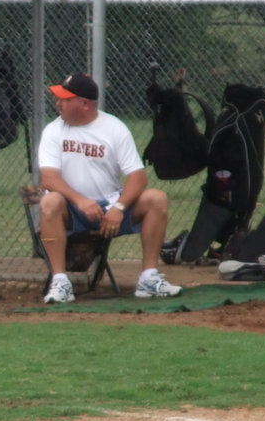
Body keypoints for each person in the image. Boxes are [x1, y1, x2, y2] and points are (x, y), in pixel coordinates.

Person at [37, 72, 183, 303]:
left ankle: (148, 278)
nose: (58, 103)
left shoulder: (114, 128)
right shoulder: (54, 130)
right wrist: (80, 200)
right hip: (72, 210)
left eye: (64, 99)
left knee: (157, 198)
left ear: (84, 104)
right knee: (49, 201)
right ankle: (60, 282)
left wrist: (119, 207)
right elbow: (49, 178)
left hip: (110, 209)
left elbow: (138, 177)